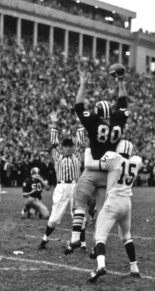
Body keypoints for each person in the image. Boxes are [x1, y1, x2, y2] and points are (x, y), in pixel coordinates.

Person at [65, 67, 129, 255]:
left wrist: (83, 84)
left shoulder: (93, 120)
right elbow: (123, 101)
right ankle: (97, 245)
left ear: (97, 112)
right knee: (102, 210)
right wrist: (120, 81)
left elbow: (78, 106)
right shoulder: (118, 121)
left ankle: (76, 238)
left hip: (94, 168)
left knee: (79, 200)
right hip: (108, 173)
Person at [83, 140, 142, 283]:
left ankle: (101, 266)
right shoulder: (137, 161)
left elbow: (89, 164)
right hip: (127, 202)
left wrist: (88, 149)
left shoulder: (113, 157)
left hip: (113, 201)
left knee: (100, 236)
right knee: (126, 235)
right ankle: (134, 267)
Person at [38, 124, 82, 250]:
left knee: (78, 214)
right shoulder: (58, 156)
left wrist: (80, 124)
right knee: (54, 217)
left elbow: (80, 142)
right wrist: (53, 125)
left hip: (74, 185)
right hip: (61, 186)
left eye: (70, 146)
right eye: (66, 146)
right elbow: (54, 143)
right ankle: (45, 239)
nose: (68, 149)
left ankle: (82, 243)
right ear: (62, 148)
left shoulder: (77, 155)